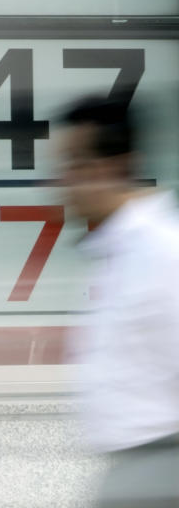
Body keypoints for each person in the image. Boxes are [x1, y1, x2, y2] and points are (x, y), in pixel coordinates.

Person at [56, 95, 179, 508]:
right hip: (132, 470)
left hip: (163, 466)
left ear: (117, 166)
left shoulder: (163, 252)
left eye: (75, 165)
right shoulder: (115, 253)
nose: (63, 181)